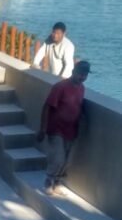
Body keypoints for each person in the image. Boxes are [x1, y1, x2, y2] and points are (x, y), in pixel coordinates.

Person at [37, 60, 90, 195]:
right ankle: (48, 181)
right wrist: (42, 129)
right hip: (56, 129)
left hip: (71, 130)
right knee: (58, 158)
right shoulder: (60, 87)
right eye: (80, 74)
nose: (82, 77)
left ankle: (57, 183)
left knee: (67, 160)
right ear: (73, 72)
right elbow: (47, 107)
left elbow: (78, 106)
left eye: (85, 75)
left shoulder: (82, 89)